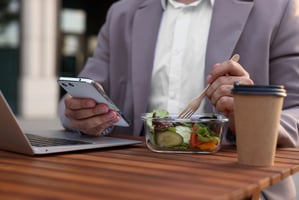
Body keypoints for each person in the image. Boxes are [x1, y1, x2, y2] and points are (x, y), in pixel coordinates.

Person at [58, 0, 299, 199]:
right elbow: (77, 95)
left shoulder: (278, 8)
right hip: (128, 180)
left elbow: (295, 110)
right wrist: (78, 113)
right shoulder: (122, 12)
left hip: (238, 184)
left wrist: (250, 116)